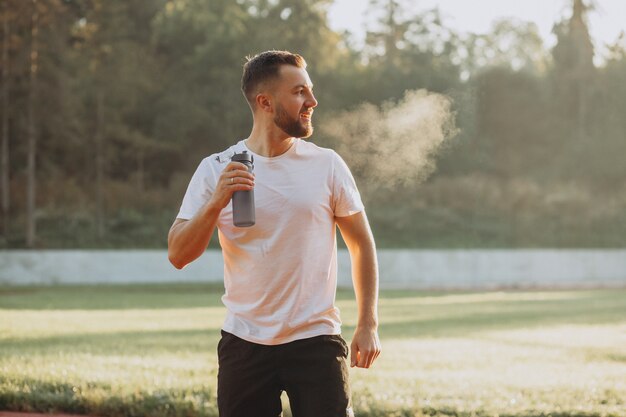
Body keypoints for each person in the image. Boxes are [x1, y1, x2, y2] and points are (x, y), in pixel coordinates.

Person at [167, 50, 381, 417]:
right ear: (265, 101)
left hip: (316, 340)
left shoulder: (326, 164)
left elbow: (361, 243)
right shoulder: (215, 168)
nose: (312, 101)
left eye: (310, 91)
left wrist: (367, 323)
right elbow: (178, 255)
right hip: (244, 344)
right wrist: (217, 201)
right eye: (299, 92)